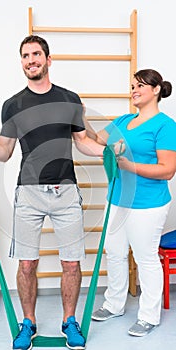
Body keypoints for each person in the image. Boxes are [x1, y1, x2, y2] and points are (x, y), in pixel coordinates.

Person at [0, 35, 122, 350]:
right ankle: (28, 323)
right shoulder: (13, 105)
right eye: (25, 56)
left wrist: (108, 150)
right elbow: (4, 151)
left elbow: (83, 142)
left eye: (36, 54)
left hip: (66, 192)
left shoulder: (70, 99)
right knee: (26, 264)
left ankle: (69, 322)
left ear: (48, 59)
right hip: (28, 193)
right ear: (21, 62)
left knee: (72, 263)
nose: (30, 60)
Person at [91, 69, 176, 337]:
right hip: (117, 200)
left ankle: (148, 316)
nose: (134, 90)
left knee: (145, 258)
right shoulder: (124, 120)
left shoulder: (165, 125)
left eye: (140, 85)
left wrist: (131, 165)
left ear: (156, 90)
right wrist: (76, 117)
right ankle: (114, 304)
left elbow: (167, 170)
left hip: (148, 203)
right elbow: (94, 142)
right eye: (132, 86)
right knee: (114, 253)